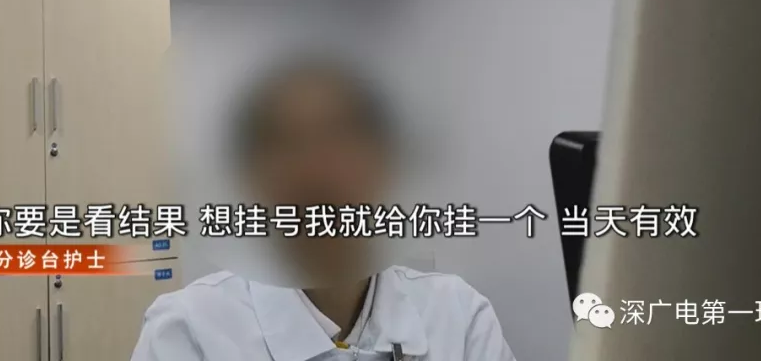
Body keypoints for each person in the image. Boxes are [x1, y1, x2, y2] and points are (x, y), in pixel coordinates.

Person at [131, 56, 517, 361]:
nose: (315, 172)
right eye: (286, 143)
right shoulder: (188, 330)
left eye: (341, 137)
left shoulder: (459, 316)